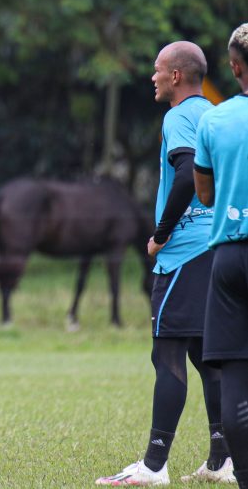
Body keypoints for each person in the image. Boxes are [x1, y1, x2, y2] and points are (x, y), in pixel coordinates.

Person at [96, 41, 234, 485]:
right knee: (204, 356)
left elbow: (186, 171)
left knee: (168, 354)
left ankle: (154, 466)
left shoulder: (178, 116)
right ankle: (222, 459)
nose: (152, 77)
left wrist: (160, 234)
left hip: (184, 253)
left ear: (176, 76)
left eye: (157, 70)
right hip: (215, 247)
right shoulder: (212, 113)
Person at [194, 22, 248, 489]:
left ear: (234, 68)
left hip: (230, 257)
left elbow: (205, 195)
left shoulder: (214, 118)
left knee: (233, 373)